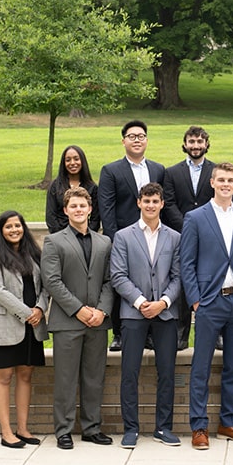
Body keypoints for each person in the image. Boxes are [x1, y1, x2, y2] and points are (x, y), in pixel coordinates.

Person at [180, 162, 233, 450]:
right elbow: (186, 262)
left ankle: (228, 422)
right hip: (209, 302)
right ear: (212, 183)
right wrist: (196, 299)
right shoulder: (195, 217)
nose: (226, 184)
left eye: (231, 180)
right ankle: (199, 427)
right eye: (221, 180)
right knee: (200, 367)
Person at [110, 183, 183, 449]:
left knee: (167, 372)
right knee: (130, 372)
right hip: (133, 313)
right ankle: (131, 429)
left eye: (155, 201)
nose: (151, 205)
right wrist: (142, 303)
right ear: (139, 203)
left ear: (162, 204)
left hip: (165, 314)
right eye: (146, 201)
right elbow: (118, 276)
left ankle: (163, 428)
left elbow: (178, 276)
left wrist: (162, 303)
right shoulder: (123, 236)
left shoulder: (174, 237)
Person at [41, 187, 114, 450]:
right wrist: (79, 309)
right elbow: (52, 281)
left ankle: (92, 428)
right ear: (66, 210)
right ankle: (63, 430)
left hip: (96, 321)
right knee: (65, 378)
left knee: (94, 377)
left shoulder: (104, 242)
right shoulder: (54, 241)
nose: (79, 210)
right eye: (73, 206)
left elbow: (108, 280)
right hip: (68, 321)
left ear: (90, 209)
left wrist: (101, 311)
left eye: (83, 206)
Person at [99, 120, 165, 351]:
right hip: (124, 240)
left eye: (141, 136)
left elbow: (160, 204)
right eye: (132, 136)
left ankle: (149, 333)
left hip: (153, 236)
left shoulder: (157, 169)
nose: (137, 140)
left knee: (151, 283)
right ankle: (118, 332)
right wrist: (115, 239)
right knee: (122, 283)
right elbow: (106, 209)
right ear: (123, 140)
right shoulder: (111, 171)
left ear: (146, 140)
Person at [0, 211, 48, 448]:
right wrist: (27, 312)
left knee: (25, 375)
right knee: (4, 376)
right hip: (7, 325)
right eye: (8, 226)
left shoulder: (33, 254)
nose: (14, 230)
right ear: (1, 231)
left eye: (18, 225)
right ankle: (6, 432)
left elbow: (46, 286)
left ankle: (23, 428)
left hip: (33, 326)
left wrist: (40, 309)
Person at [162, 126, 215, 350]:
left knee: (212, 281)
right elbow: (170, 203)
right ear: (185, 144)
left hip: (211, 236)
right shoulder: (172, 173)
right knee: (183, 283)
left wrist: (203, 228)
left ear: (206, 144)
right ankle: (181, 335)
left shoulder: (215, 170)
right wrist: (189, 227)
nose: (195, 146)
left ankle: (216, 334)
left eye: (199, 142)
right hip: (181, 235)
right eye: (191, 141)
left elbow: (218, 199)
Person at [45, 145, 100, 234]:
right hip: (60, 236)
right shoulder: (55, 186)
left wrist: (86, 235)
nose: (72, 163)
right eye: (68, 160)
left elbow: (95, 218)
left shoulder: (92, 187)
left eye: (76, 159)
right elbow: (51, 216)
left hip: (85, 236)